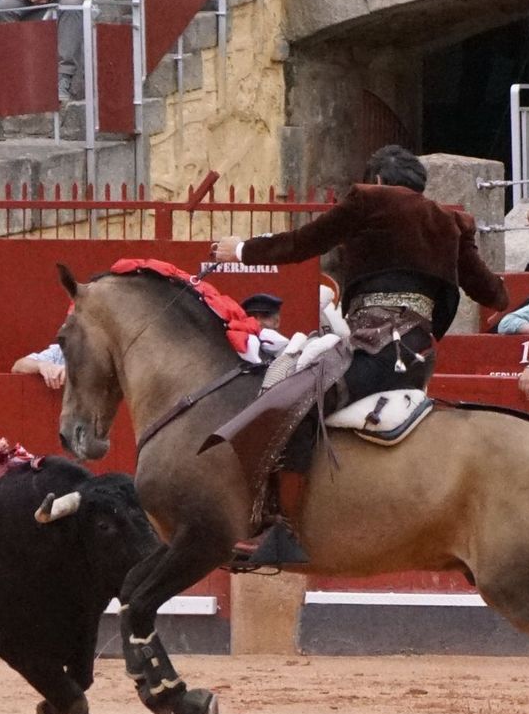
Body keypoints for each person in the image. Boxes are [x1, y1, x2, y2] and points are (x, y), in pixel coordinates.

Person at [209, 145, 508, 563]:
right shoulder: (451, 223)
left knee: (293, 402)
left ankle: (284, 528)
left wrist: (240, 251)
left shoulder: (368, 200)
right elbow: (493, 293)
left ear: (379, 180)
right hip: (417, 355)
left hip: (376, 347)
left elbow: (300, 243)